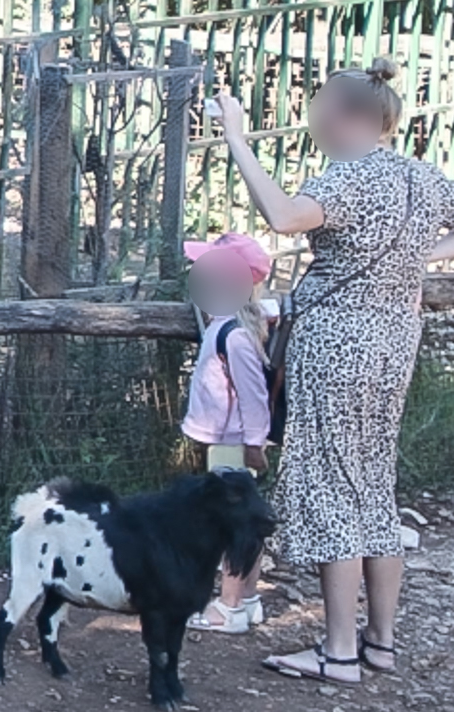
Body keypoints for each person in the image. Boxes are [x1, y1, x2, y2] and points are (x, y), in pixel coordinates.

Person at [210, 59, 454, 683]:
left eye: (317, 104)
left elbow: (283, 217)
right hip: (395, 342)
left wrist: (236, 136)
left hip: (339, 345)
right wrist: (416, 259)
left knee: (331, 489)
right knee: (372, 485)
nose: (312, 114)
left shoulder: (351, 176)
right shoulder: (418, 175)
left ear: (342, 114)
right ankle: (381, 644)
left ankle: (338, 651)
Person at [181, 232, 273, 634]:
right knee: (245, 520)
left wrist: (254, 444)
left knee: (233, 522)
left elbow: (252, 395)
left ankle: (228, 607)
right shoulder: (229, 325)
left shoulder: (233, 335)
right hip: (228, 440)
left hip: (232, 442)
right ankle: (247, 601)